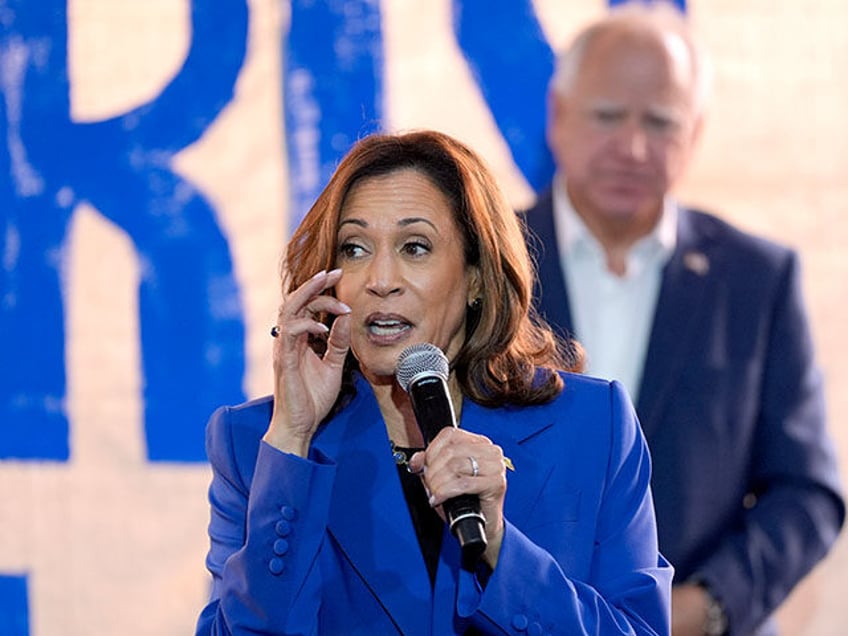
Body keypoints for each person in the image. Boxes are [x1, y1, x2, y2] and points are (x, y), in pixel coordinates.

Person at [195, 129, 672, 634]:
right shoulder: (257, 448)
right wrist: (293, 437)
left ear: (475, 277)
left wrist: (501, 550)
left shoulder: (592, 427)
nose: (381, 278)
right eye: (354, 249)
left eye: (415, 247)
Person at [521, 5, 845, 636]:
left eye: (661, 122)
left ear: (695, 134)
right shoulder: (481, 263)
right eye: (609, 116)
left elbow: (806, 492)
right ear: (558, 118)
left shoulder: (758, 279)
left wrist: (709, 605)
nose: (633, 147)